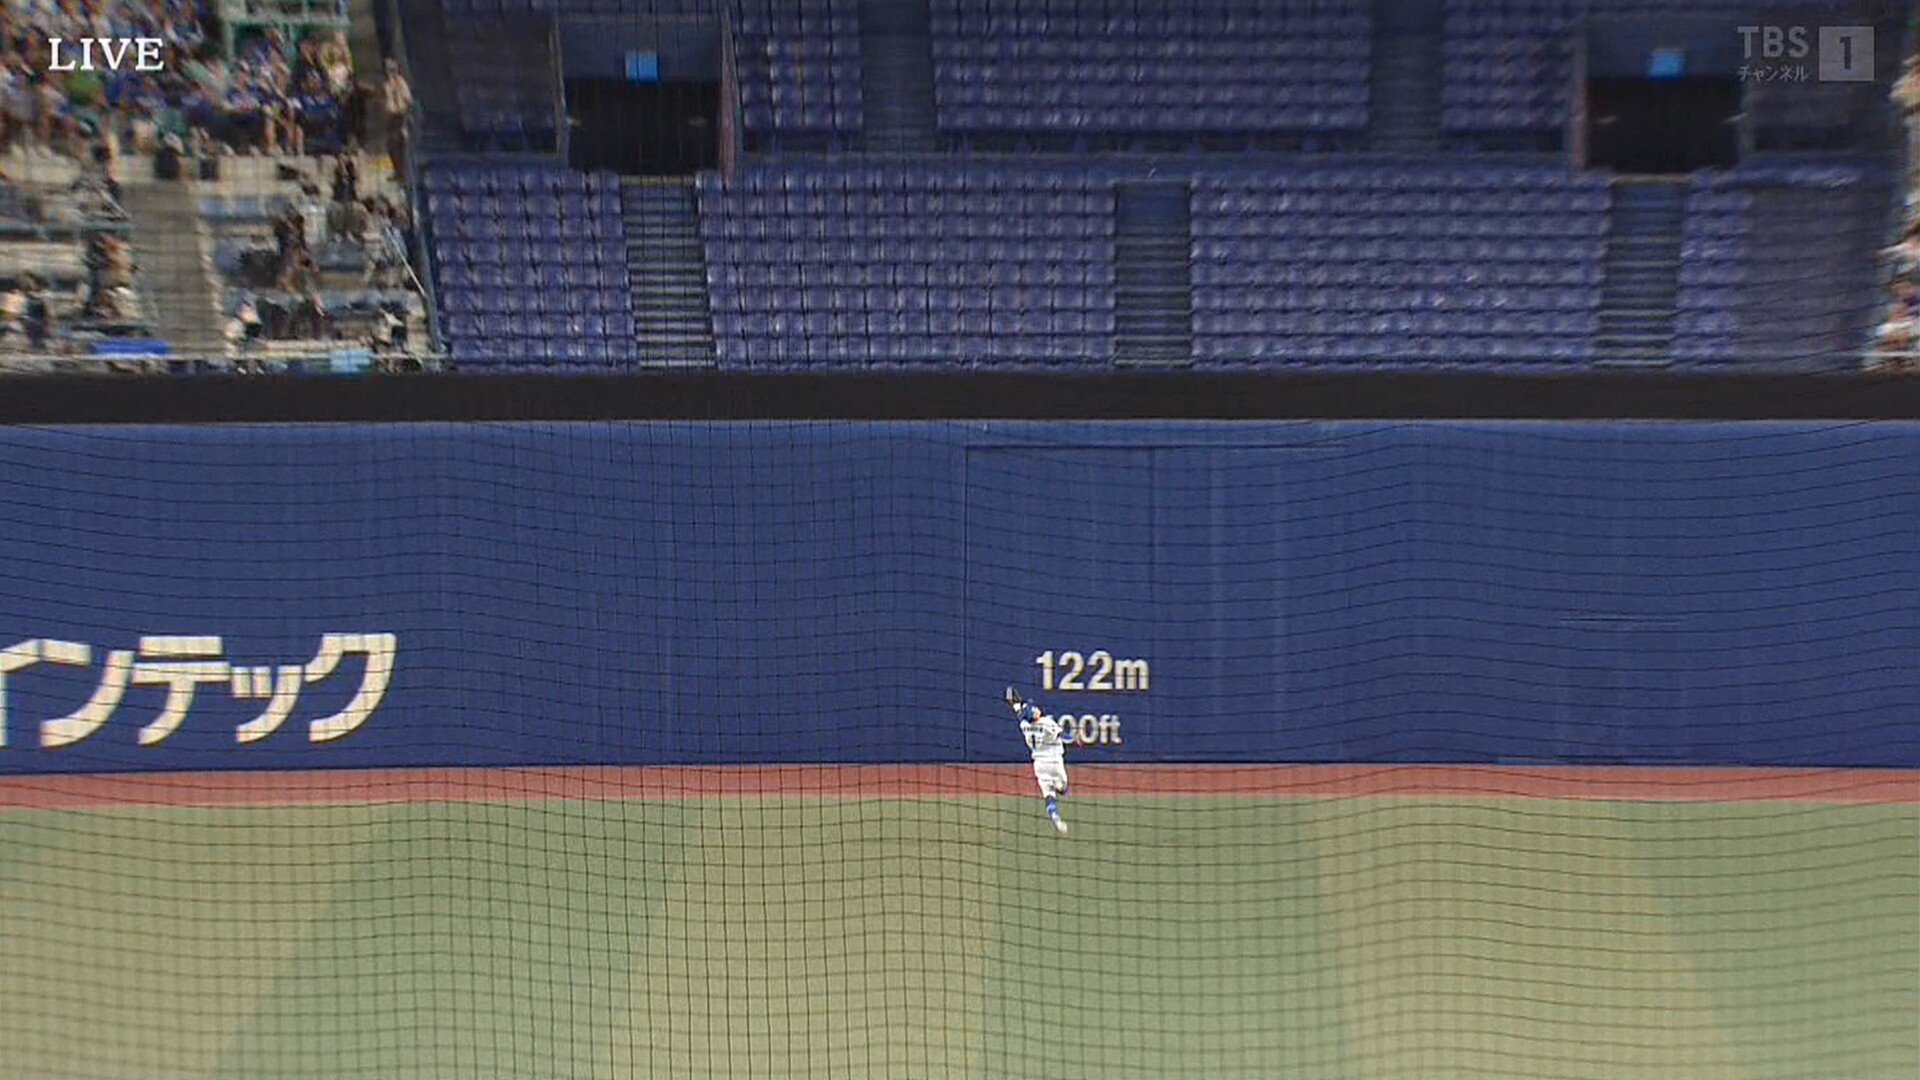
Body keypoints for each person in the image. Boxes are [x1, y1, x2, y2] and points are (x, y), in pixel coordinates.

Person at [1007, 687, 1070, 834]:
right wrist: (1074, 738)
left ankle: (1055, 817)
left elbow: (1020, 716)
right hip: (1054, 762)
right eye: (1034, 709)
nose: (1036, 709)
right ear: (1033, 713)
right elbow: (1063, 736)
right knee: (1064, 788)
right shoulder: (1046, 722)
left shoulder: (1024, 726)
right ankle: (1059, 787)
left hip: (1039, 766)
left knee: (1048, 794)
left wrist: (1017, 706)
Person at [381, 59, 411, 181]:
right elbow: (386, 99)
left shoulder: (401, 83)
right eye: (389, 69)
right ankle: (397, 171)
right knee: (390, 146)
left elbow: (408, 99)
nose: (391, 72)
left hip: (400, 116)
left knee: (399, 144)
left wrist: (402, 110)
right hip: (391, 116)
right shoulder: (387, 84)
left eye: (392, 69)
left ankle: (402, 172)